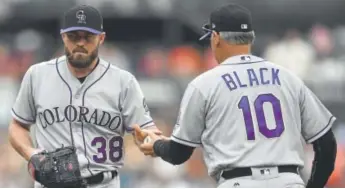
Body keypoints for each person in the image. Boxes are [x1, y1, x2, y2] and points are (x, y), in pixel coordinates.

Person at [133, 3, 337, 188]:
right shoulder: (288, 78)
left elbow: (178, 154)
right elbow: (326, 144)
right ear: (251, 37)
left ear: (216, 38)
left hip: (238, 182)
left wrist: (157, 146)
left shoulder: (204, 84)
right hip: (288, 182)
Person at [8, 4, 160, 188]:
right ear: (63, 36)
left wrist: (151, 140)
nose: (80, 42)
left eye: (87, 37)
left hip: (104, 183)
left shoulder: (123, 81)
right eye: (73, 36)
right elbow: (18, 125)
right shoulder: (37, 75)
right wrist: (30, 153)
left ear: (101, 38)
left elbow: (147, 130)